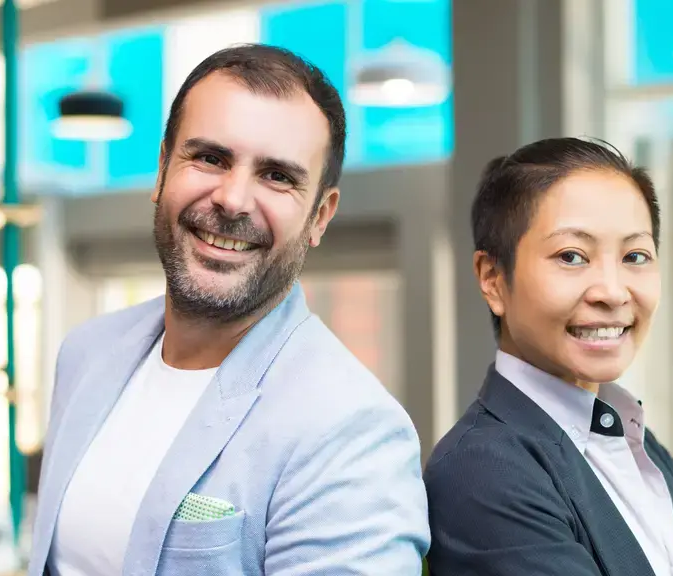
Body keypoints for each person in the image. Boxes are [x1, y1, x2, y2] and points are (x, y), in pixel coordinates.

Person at [28, 44, 430, 576]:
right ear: (161, 170)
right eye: (211, 158)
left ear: (320, 216)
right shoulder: (86, 353)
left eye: (277, 176)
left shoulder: (351, 431)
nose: (233, 200)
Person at [423, 137, 673, 576]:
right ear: (493, 278)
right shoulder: (482, 472)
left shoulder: (630, 438)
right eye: (572, 256)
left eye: (635, 256)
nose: (612, 292)